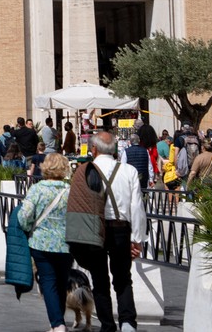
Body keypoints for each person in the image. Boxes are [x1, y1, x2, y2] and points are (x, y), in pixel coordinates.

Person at [66, 131, 146, 332]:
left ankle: (108, 325)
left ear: (94, 149)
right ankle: (128, 323)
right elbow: (137, 208)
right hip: (121, 229)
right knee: (123, 278)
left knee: (99, 280)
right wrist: (137, 240)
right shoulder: (129, 171)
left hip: (94, 229)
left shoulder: (85, 171)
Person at [17, 153, 73, 332]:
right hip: (66, 244)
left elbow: (24, 216)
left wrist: (27, 227)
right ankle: (58, 321)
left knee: (48, 281)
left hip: (41, 243)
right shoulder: (70, 190)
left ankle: (57, 324)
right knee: (62, 282)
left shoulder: (37, 189)